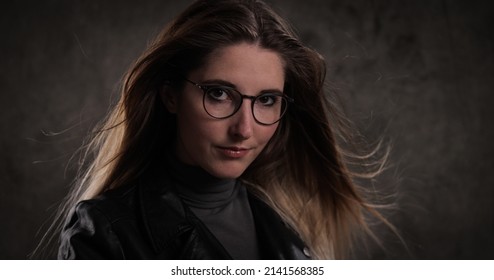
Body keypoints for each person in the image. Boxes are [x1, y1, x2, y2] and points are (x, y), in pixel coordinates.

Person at [54, 0, 390, 260]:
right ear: (171, 95)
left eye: (267, 100)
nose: (244, 129)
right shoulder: (106, 231)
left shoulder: (289, 226)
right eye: (219, 94)